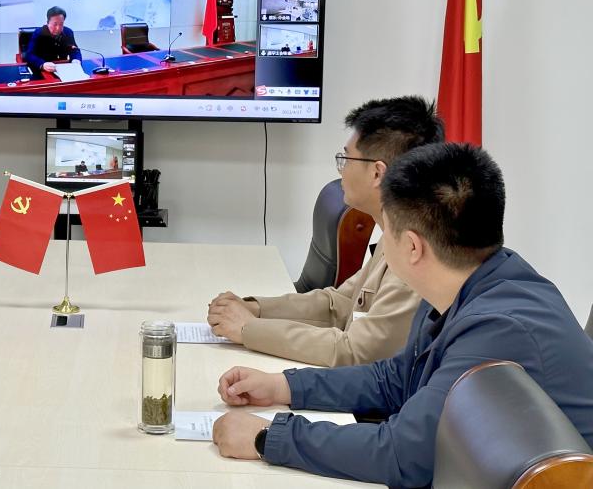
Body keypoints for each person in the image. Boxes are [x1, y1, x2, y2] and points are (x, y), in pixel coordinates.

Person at [211, 143, 593, 487]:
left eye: (386, 231)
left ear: (412, 246)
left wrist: (267, 438)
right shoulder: (467, 279)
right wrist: (285, 386)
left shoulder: (500, 329)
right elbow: (396, 379)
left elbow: (402, 455)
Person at [207, 96, 444, 367]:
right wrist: (256, 309)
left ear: (377, 173)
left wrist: (248, 329)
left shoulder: (415, 256)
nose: (342, 170)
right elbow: (338, 304)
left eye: (347, 159)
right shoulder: (395, 233)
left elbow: (355, 352)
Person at [23, 6, 82, 75]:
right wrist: (42, 64)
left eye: (61, 24)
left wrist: (76, 60)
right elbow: (29, 54)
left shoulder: (68, 32)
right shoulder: (39, 33)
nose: (58, 28)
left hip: (61, 69)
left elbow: (74, 50)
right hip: (43, 70)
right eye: (55, 24)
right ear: (48, 23)